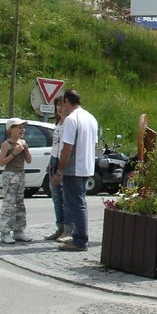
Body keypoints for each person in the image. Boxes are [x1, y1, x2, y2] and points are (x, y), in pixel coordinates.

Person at [55, 89, 98, 252]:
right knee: (80, 202)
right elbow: (94, 145)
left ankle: (80, 240)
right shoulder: (91, 118)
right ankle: (78, 236)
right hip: (87, 166)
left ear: (67, 101)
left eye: (62, 103)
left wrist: (60, 170)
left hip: (74, 168)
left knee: (76, 204)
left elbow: (67, 147)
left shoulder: (71, 120)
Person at [0, 118, 33, 244]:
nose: (22, 130)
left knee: (19, 203)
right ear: (10, 130)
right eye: (19, 127)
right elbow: (1, 162)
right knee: (9, 204)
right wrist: (14, 153)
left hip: (21, 174)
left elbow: (29, 160)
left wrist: (26, 150)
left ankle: (19, 231)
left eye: (22, 127)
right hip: (10, 175)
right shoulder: (6, 144)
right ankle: (5, 232)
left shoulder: (22, 142)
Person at [44, 96, 72, 241]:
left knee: (65, 198)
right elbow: (55, 145)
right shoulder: (57, 124)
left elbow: (66, 147)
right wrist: (50, 161)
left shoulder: (69, 123)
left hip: (63, 162)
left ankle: (68, 229)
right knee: (56, 197)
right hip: (54, 160)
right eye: (57, 106)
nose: (59, 108)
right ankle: (59, 227)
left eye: (62, 105)